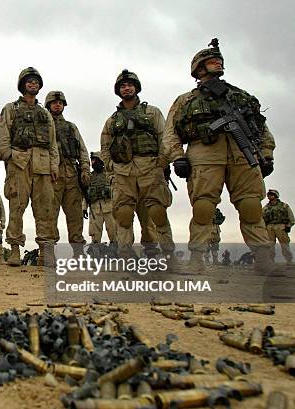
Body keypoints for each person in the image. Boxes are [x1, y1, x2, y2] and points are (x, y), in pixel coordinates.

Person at [164, 39, 277, 273]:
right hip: (204, 153)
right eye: (211, 60)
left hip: (242, 153)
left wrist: (266, 154)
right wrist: (177, 157)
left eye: (218, 60)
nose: (217, 62)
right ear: (199, 68)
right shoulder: (186, 100)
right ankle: (197, 258)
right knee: (204, 207)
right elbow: (170, 132)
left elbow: (261, 127)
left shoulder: (240, 96)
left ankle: (263, 257)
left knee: (251, 206)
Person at [100, 69, 176, 261]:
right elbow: (105, 146)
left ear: (136, 88)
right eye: (123, 86)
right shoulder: (112, 120)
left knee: (157, 212)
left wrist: (161, 163)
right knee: (123, 214)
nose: (126, 88)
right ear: (118, 91)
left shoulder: (152, 112)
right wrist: (111, 168)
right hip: (123, 172)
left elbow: (164, 138)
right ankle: (125, 254)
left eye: (130, 85)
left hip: (150, 168)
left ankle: (167, 253)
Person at [0, 67, 59, 266]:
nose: (33, 83)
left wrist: (54, 166)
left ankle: (45, 252)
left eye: (36, 81)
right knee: (16, 207)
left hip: (43, 165)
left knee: (45, 209)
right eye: (29, 81)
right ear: (22, 85)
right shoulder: (11, 108)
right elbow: (2, 136)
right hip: (19, 164)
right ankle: (14, 250)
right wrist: (10, 157)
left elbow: (53, 143)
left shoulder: (45, 114)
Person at [45, 91, 90, 254]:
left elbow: (83, 150)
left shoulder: (71, 127)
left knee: (75, 215)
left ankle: (78, 252)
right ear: (48, 105)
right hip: (51, 174)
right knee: (49, 214)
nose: (57, 105)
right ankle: (48, 251)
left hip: (71, 172)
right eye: (54, 102)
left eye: (60, 102)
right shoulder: (44, 125)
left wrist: (85, 169)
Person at [84, 152, 116, 245]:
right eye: (92, 160)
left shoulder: (109, 174)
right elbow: (85, 193)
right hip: (94, 209)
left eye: (94, 160)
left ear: (100, 161)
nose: (93, 163)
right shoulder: (90, 176)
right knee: (95, 236)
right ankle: (96, 255)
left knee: (114, 233)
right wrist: (84, 208)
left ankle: (117, 255)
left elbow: (117, 189)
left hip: (110, 208)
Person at [263, 189, 294, 265]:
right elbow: (261, 219)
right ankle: (270, 261)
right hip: (269, 228)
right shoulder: (265, 208)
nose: (270, 196)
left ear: (276, 195)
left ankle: (289, 260)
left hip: (281, 227)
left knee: (284, 244)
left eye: (271, 194)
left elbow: (292, 218)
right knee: (270, 245)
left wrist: (288, 226)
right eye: (269, 195)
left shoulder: (284, 206)